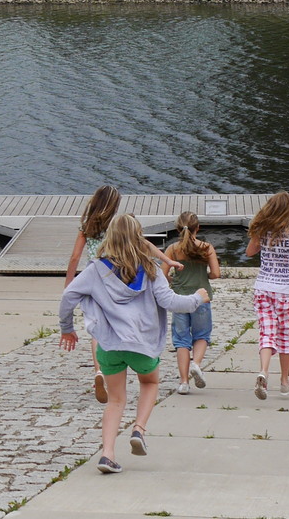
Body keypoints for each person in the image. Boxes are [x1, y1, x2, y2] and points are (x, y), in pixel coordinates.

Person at [59, 214, 210, 474]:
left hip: (109, 346)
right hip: (141, 345)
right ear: (139, 238)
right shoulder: (151, 269)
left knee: (115, 400)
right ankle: (139, 429)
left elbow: (68, 295)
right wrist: (197, 298)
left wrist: (67, 328)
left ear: (110, 238)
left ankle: (107, 455)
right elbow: (172, 302)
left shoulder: (96, 269)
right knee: (149, 383)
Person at [244, 191, 289, 399]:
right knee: (285, 335)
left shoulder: (262, 228)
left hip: (263, 287)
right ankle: (284, 380)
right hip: (285, 290)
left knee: (267, 333)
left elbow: (249, 252)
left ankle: (263, 371)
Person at [65, 185, 122, 405]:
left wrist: (69, 284)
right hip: (114, 277)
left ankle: (99, 372)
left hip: (92, 278)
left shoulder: (86, 225)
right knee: (115, 325)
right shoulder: (116, 225)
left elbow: (74, 256)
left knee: (95, 328)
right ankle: (112, 370)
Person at [164, 210, 220, 394]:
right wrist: (204, 276)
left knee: (181, 340)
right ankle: (195, 364)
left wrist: (174, 281)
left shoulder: (172, 249)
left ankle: (183, 383)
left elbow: (162, 275)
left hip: (180, 299)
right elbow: (216, 274)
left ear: (178, 228)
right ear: (198, 228)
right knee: (202, 335)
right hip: (202, 297)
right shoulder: (206, 247)